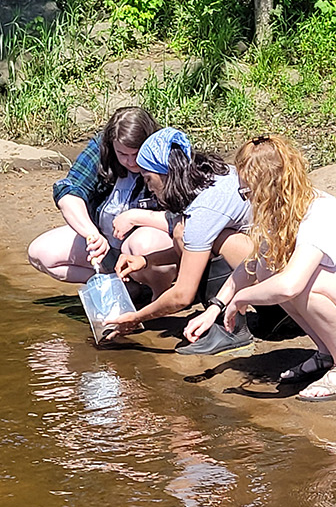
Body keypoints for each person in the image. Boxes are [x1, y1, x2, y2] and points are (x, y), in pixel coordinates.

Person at [185, 135, 336, 402]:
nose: (248, 201)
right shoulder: (286, 213)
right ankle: (328, 353)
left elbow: (290, 285)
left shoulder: (319, 215)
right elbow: (253, 265)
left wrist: (242, 298)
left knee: (301, 282)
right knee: (271, 270)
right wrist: (215, 307)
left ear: (269, 187)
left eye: (248, 193)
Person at [108, 127, 258, 355]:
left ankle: (231, 329)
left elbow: (182, 295)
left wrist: (136, 317)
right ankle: (272, 316)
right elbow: (192, 248)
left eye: (148, 179)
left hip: (278, 268)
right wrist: (145, 261)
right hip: (276, 257)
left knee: (198, 234)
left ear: (166, 174)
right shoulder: (212, 176)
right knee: (183, 231)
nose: (148, 187)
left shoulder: (205, 209)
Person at [27, 107, 174, 296]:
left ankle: (160, 295)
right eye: (123, 154)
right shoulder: (101, 148)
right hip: (109, 242)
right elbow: (69, 190)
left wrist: (136, 217)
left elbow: (187, 220)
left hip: (154, 247)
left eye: (136, 154)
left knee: (141, 243)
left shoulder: (166, 155)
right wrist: (92, 235)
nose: (130, 162)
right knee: (40, 253)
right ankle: (126, 287)